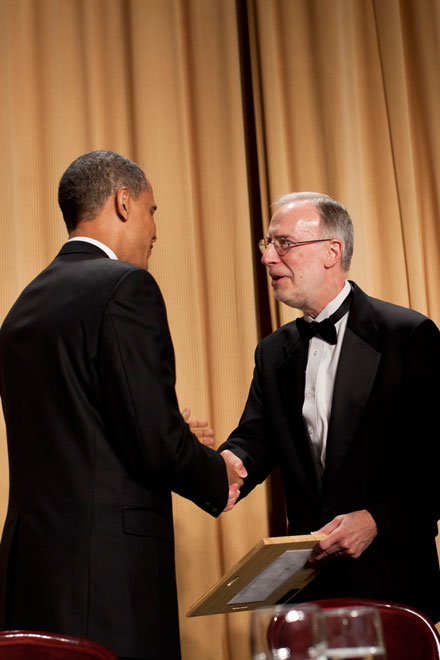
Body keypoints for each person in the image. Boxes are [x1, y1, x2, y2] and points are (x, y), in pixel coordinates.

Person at [0, 150, 246, 660]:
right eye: (153, 210)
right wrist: (216, 473)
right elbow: (153, 440)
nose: (156, 228)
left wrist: (158, 423)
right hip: (109, 584)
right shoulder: (125, 286)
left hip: (31, 582)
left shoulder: (23, 305)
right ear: (124, 201)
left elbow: (80, 422)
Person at [220, 192, 440, 622]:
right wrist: (217, 466)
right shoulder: (272, 352)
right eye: (266, 245)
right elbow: (253, 441)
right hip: (311, 593)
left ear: (331, 252)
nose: (267, 258)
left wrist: (377, 519)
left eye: (283, 243)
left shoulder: (408, 335)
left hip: (394, 585)